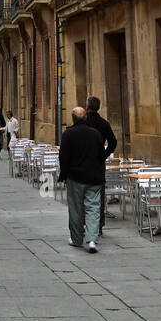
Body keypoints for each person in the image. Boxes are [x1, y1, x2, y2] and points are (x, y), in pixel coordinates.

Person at [58, 107, 107, 252]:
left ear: (73, 119)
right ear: (85, 118)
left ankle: (77, 239)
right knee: (93, 208)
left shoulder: (68, 134)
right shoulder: (96, 134)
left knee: (76, 209)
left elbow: (64, 158)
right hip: (94, 178)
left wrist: (64, 175)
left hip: (76, 177)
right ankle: (92, 239)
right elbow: (101, 155)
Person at [84, 96, 118, 233]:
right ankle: (99, 224)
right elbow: (113, 142)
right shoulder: (104, 123)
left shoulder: (83, 122)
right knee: (99, 193)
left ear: (87, 107)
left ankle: (86, 223)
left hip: (84, 162)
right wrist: (104, 155)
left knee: (84, 194)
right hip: (98, 162)